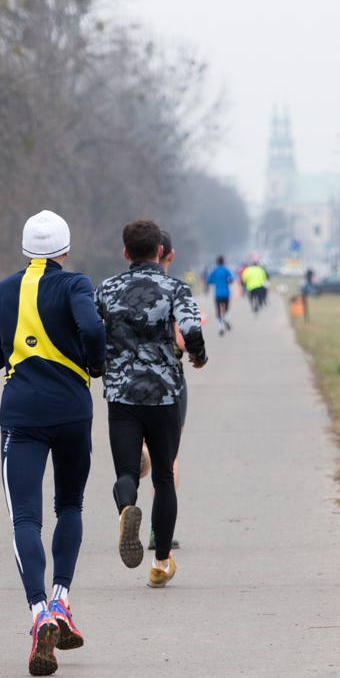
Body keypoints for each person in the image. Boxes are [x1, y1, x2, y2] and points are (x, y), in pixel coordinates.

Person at [0, 210, 107, 677]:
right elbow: (91, 328)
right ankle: (62, 601)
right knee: (70, 506)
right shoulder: (75, 285)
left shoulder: (1, 292)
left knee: (24, 516)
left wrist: (14, 350)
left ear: (25, 249)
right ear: (64, 250)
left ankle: (38, 613)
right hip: (72, 411)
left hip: (22, 417)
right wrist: (93, 363)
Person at [96, 220, 207, 588]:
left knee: (128, 473)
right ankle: (160, 563)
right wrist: (199, 357)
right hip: (164, 394)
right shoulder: (175, 288)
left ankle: (127, 509)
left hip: (121, 395)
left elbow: (90, 329)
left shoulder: (107, 290)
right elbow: (190, 329)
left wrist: (98, 364)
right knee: (163, 476)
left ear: (125, 253)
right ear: (160, 251)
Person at [139, 230, 190, 550]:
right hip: (169, 384)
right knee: (168, 458)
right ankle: (160, 530)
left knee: (140, 446)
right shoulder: (175, 292)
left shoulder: (122, 289)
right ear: (168, 254)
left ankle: (138, 460)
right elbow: (184, 341)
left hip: (130, 384)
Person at [205, 256, 235, 335]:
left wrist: (215, 282)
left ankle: (221, 326)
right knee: (227, 308)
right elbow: (232, 278)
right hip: (226, 293)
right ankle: (226, 318)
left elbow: (208, 281)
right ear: (223, 262)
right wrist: (227, 282)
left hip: (217, 294)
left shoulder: (213, 270)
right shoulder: (226, 269)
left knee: (218, 311)